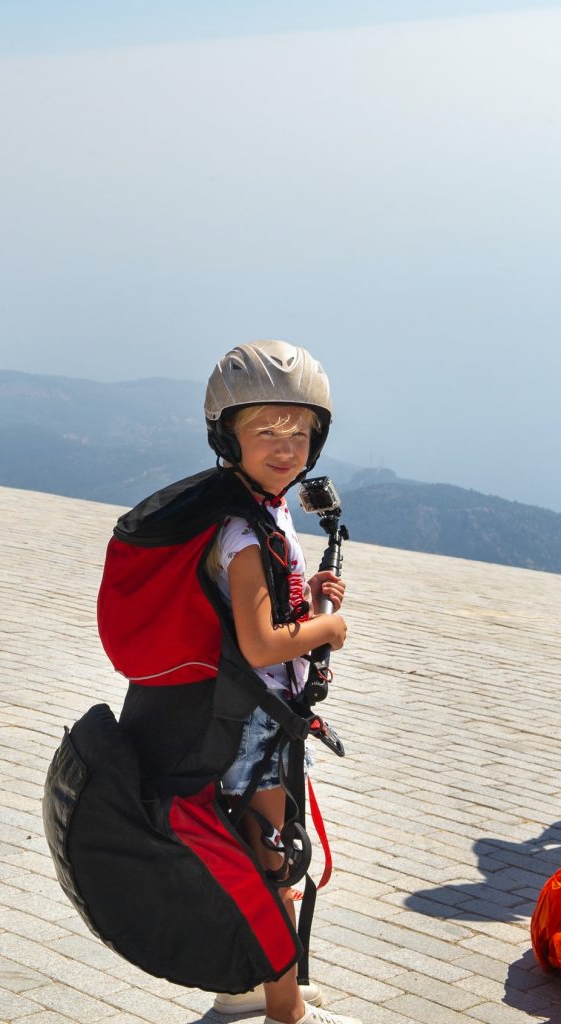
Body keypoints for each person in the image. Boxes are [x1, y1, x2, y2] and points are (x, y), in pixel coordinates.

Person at [201, 342, 360, 1024]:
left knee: (270, 851)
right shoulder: (243, 527)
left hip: (263, 711)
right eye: (266, 429)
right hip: (256, 725)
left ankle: (254, 986)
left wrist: (310, 593)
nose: (286, 446)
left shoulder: (268, 509)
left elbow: (270, 608)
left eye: (299, 432)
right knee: (273, 859)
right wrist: (326, 630)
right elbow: (260, 642)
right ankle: (283, 1010)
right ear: (226, 435)